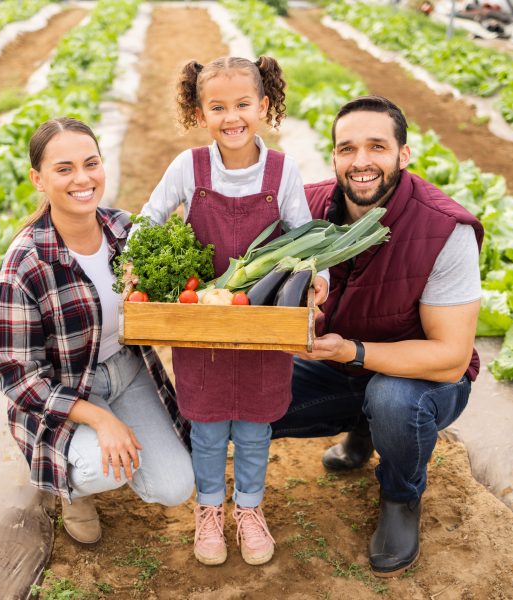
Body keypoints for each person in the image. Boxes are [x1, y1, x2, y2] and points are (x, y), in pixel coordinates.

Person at [271, 95, 483, 577]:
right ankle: (361, 430)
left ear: (403, 155)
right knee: (253, 397)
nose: (361, 161)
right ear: (334, 158)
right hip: (334, 364)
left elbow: (450, 357)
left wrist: (353, 351)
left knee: (392, 399)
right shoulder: (308, 208)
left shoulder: (444, 229)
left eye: (376, 147)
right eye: (347, 149)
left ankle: (400, 499)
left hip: (422, 379)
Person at [135, 56, 329, 566]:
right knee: (206, 424)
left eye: (243, 104)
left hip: (262, 319)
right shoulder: (189, 167)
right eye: (217, 107)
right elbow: (149, 217)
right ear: (200, 113)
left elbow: (305, 236)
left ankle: (249, 508)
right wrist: (135, 263)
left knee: (254, 425)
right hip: (201, 317)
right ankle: (208, 510)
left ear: (263, 106)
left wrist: (318, 282)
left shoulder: (282, 170)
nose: (232, 117)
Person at [0, 117, 194, 545]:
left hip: (128, 369)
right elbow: (16, 376)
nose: (82, 179)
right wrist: (99, 418)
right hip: (67, 390)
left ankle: (105, 444)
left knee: (175, 487)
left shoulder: (125, 230)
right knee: (101, 468)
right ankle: (73, 489)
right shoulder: (26, 262)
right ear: (39, 180)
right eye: (64, 169)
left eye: (91, 163)